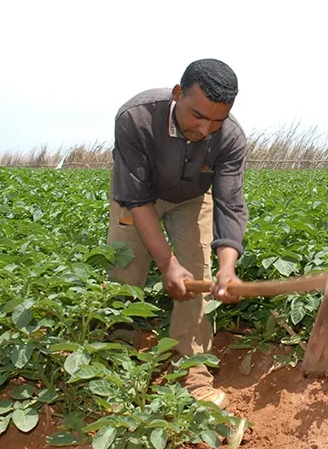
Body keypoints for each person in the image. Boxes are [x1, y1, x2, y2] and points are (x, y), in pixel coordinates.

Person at [107, 58, 248, 409]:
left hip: (192, 197)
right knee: (125, 272)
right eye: (198, 116)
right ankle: (115, 362)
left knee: (199, 275)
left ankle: (193, 373)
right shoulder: (136, 118)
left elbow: (229, 205)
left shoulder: (230, 137)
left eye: (217, 120)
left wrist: (227, 268)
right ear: (177, 94)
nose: (206, 130)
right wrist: (166, 262)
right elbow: (137, 199)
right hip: (139, 197)